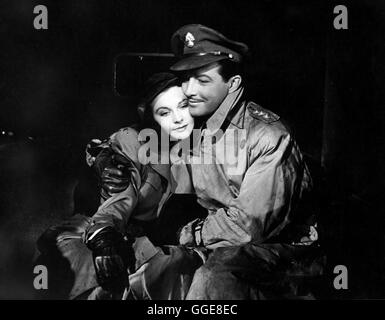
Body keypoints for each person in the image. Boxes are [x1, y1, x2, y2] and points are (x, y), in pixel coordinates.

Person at [101, 24, 323, 299]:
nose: (189, 89)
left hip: (284, 251)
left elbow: (248, 227)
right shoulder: (197, 129)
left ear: (233, 84)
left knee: (214, 280)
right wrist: (110, 164)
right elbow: (153, 163)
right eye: (185, 78)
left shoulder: (267, 135)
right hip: (220, 243)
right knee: (148, 275)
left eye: (202, 80)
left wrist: (185, 234)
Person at [35, 72, 204, 300]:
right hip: (94, 230)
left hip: (152, 242)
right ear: (149, 116)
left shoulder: (205, 146)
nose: (178, 118)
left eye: (183, 106)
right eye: (164, 112)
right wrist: (104, 238)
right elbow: (116, 201)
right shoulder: (133, 140)